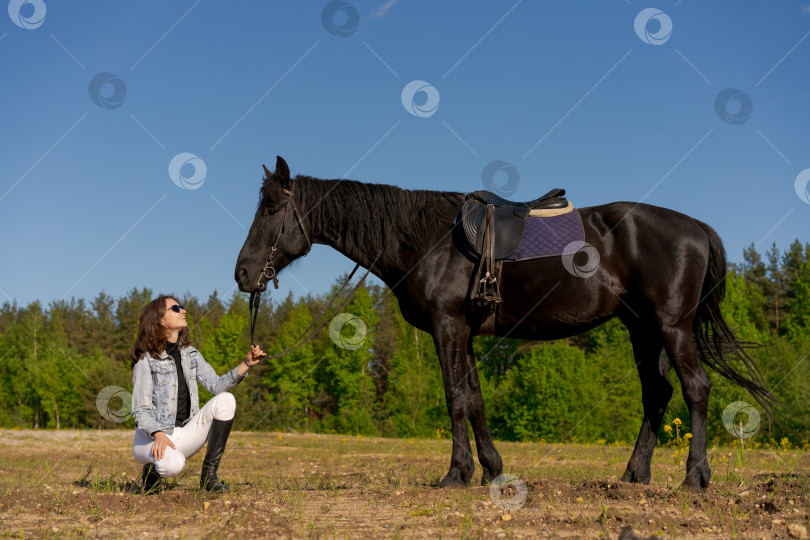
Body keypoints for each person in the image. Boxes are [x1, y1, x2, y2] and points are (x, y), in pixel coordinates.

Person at [130, 295, 265, 494]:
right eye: (175, 308)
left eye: (182, 306)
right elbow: (140, 410)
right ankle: (152, 471)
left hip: (183, 433)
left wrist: (245, 364)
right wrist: (158, 435)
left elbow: (216, 385)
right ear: (159, 319)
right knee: (172, 467)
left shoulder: (191, 354)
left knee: (226, 400)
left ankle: (209, 475)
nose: (183, 310)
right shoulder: (146, 359)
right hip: (150, 438)